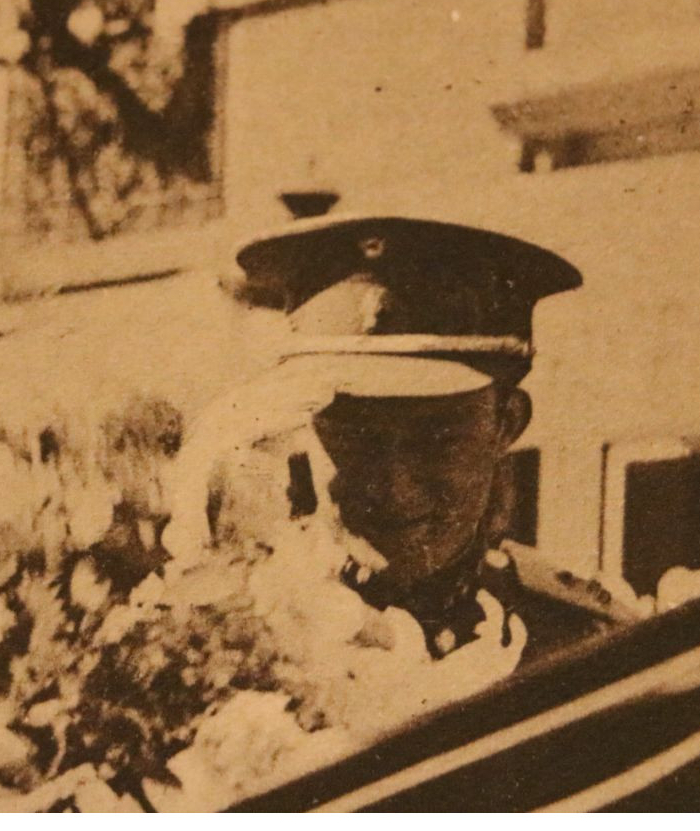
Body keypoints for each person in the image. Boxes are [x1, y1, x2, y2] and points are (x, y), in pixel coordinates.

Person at [164, 214, 606, 661]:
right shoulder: (226, 636)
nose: (394, 487)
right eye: (356, 438)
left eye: (437, 441)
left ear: (505, 425)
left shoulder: (578, 647)